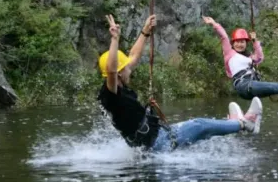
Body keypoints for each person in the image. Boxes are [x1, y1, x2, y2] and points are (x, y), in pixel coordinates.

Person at [97, 14, 263, 152]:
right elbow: (112, 70)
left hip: (155, 139)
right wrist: (114, 40)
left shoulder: (117, 84)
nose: (130, 69)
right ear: (118, 74)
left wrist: (145, 32)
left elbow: (133, 56)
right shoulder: (110, 93)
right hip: (157, 143)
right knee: (200, 125)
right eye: (125, 68)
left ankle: (232, 124)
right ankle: (245, 124)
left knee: (203, 131)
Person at [202, 16, 278, 100]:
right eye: (237, 42)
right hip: (243, 85)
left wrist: (255, 41)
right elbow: (224, 37)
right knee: (273, 86)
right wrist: (214, 23)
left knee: (274, 87)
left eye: (242, 42)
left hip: (252, 85)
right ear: (232, 43)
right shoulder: (229, 53)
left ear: (246, 43)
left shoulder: (250, 58)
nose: (239, 44)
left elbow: (260, 58)